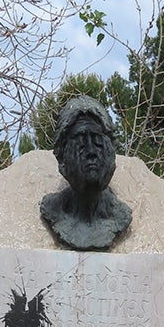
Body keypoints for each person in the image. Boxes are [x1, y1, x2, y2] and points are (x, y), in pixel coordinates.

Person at [40, 95, 132, 250]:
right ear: (62, 155)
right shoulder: (53, 210)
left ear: (111, 151)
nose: (91, 151)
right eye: (80, 141)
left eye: (97, 140)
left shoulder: (120, 216)